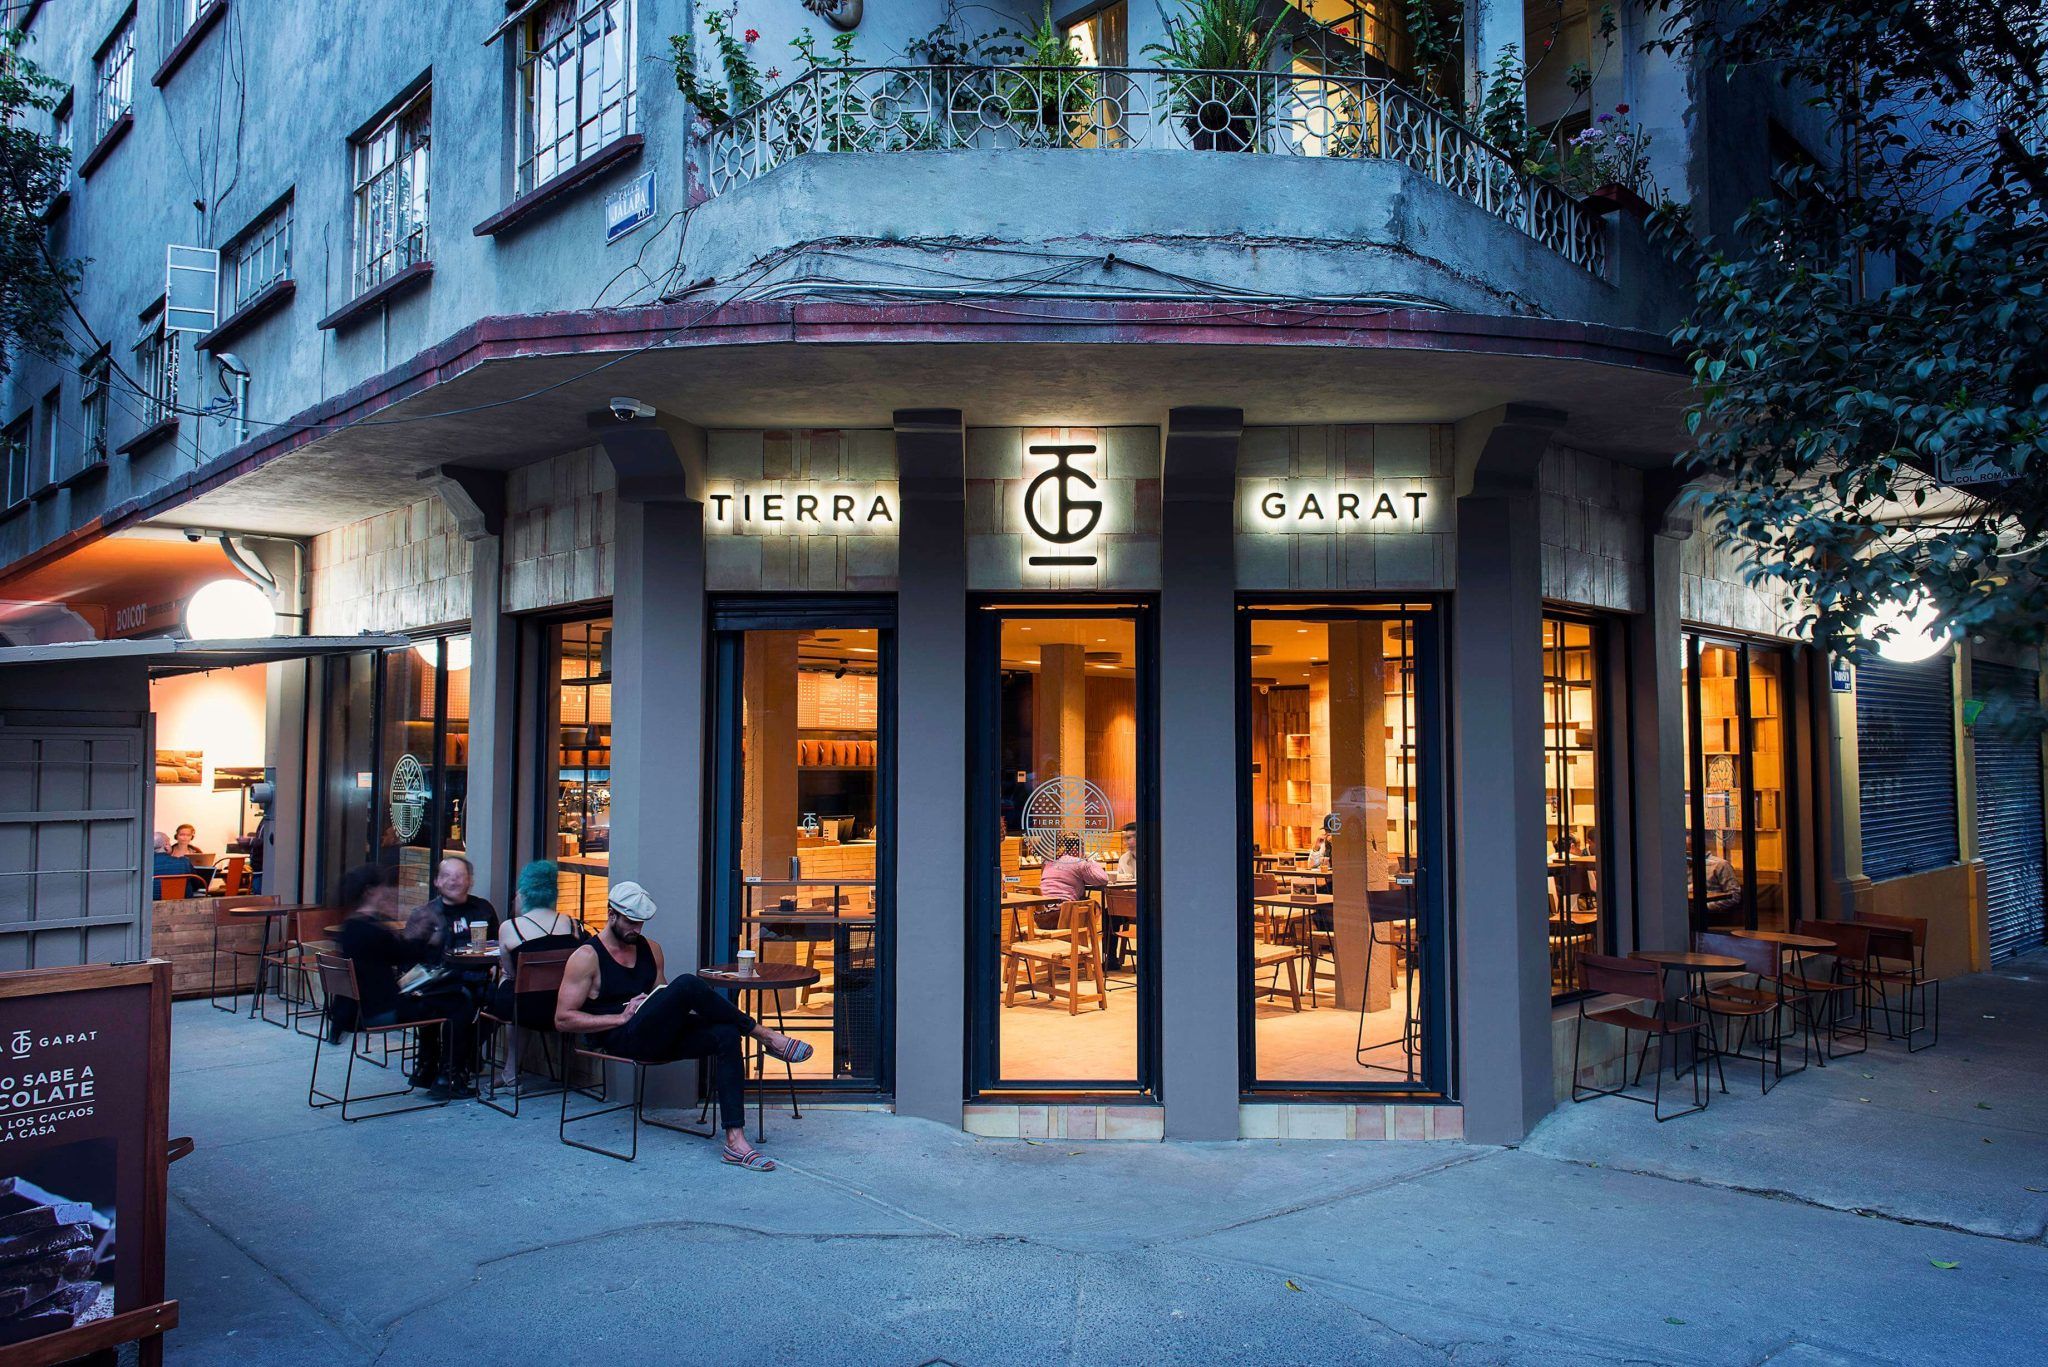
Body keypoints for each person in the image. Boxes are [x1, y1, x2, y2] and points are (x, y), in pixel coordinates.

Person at [554, 882, 812, 1172]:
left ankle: (735, 1141)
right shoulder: (587, 957)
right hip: (621, 1038)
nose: (636, 929)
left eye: (641, 923)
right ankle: (764, 1034)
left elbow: (663, 998)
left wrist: (687, 1008)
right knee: (688, 983)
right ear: (611, 914)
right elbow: (563, 1019)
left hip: (656, 1035)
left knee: (726, 1034)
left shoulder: (651, 950)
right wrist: (620, 1017)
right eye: (630, 922)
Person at [331, 864, 476, 1095]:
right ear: (370, 891)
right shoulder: (372, 931)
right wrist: (433, 934)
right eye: (384, 888)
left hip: (351, 1012)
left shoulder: (350, 927)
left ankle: (426, 1069)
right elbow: (405, 954)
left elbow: (395, 953)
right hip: (378, 1011)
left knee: (433, 998)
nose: (388, 892)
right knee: (459, 1000)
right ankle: (449, 1079)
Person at [486, 861, 585, 1090]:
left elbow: (510, 972)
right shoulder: (572, 925)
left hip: (523, 1008)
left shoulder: (511, 927)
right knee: (523, 993)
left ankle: (509, 1071)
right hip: (563, 1004)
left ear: (523, 893)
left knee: (508, 985)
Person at [410, 856, 500, 964]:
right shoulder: (422, 916)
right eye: (446, 875)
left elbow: (497, 949)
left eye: (459, 875)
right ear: (436, 881)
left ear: (470, 881)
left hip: (479, 974)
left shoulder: (483, 909)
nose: (453, 880)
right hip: (437, 974)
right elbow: (409, 962)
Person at [1038, 834, 1109, 903]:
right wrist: (1090, 860)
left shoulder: (1049, 863)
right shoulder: (1078, 862)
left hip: (1043, 907)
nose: (1083, 853)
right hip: (1064, 907)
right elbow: (1103, 879)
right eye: (1082, 849)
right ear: (1075, 848)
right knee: (1094, 905)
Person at [1702, 849, 1742, 917]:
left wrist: (1704, 907)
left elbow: (1734, 896)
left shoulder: (1720, 864)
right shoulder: (1683, 865)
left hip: (1712, 915)